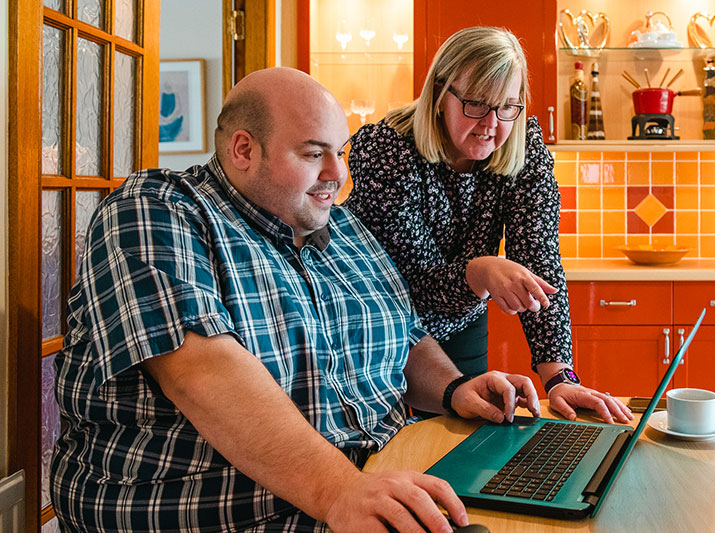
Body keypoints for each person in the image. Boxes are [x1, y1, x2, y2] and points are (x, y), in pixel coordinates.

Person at [50, 67, 540, 533]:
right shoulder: (158, 211)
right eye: (313, 154)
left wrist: (455, 389)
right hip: (239, 512)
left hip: (372, 488)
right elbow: (203, 374)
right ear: (244, 149)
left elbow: (405, 335)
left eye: (341, 152)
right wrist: (341, 490)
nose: (337, 173)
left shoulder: (343, 228)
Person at [344, 26, 633, 424]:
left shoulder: (523, 148)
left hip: (460, 323)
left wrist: (559, 378)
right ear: (440, 93)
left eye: (508, 106)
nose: (491, 124)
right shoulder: (386, 149)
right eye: (476, 104)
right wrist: (479, 272)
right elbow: (413, 282)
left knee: (465, 437)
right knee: (391, 441)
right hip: (380, 325)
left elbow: (539, 262)